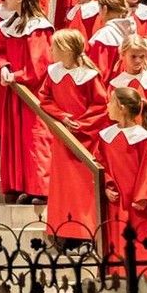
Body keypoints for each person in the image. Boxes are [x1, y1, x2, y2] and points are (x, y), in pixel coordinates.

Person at [36, 29, 106, 242]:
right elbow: (45, 98)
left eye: (54, 47)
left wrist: (81, 124)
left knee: (82, 188)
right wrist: (62, 117)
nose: (51, 50)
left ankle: (85, 232)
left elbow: (101, 106)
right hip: (63, 138)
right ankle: (64, 231)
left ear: (66, 50)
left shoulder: (89, 76)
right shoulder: (53, 72)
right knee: (63, 187)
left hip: (85, 137)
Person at [0, 0, 53, 204]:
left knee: (35, 138)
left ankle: (41, 189)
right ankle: (20, 185)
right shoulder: (10, 25)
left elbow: (40, 66)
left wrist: (16, 75)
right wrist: (3, 68)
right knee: (16, 140)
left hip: (33, 93)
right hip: (14, 91)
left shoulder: (39, 27)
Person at [96, 86, 147, 263]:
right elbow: (100, 164)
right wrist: (106, 186)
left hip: (136, 203)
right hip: (115, 201)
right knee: (116, 242)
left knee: (138, 243)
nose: (107, 106)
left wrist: (143, 196)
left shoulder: (142, 137)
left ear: (121, 108)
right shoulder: (106, 136)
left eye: (111, 102)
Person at [109, 35, 147, 130]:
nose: (138, 61)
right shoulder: (116, 84)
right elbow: (112, 115)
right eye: (133, 56)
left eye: (142, 57)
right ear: (123, 54)